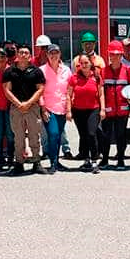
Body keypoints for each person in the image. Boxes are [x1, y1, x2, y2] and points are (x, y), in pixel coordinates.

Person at [3, 43, 47, 175]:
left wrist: (28, 103)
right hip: (16, 108)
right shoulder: (10, 71)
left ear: (30, 56)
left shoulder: (36, 71)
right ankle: (19, 163)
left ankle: (36, 162)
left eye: (26, 53)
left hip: (32, 107)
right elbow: (6, 90)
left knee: (34, 135)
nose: (23, 55)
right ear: (17, 55)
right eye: (21, 52)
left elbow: (40, 89)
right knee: (18, 137)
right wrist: (18, 104)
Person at [100, 40, 130, 170]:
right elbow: (100, 91)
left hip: (122, 110)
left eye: (117, 54)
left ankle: (121, 161)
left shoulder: (127, 71)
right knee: (106, 136)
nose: (115, 57)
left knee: (121, 135)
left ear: (121, 55)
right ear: (109, 55)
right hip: (108, 110)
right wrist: (102, 108)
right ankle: (105, 160)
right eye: (112, 54)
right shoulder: (103, 71)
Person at [67, 54, 105, 174]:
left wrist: (103, 109)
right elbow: (68, 95)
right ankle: (86, 159)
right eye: (81, 63)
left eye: (86, 63)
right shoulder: (74, 78)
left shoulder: (97, 77)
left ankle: (94, 160)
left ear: (91, 64)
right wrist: (68, 111)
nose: (83, 65)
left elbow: (101, 94)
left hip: (93, 109)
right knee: (83, 135)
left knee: (91, 133)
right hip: (78, 111)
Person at [40, 44, 71, 174]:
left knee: (58, 135)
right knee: (53, 134)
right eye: (51, 53)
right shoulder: (42, 70)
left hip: (62, 107)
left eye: (56, 53)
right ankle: (53, 162)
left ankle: (56, 161)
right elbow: (39, 91)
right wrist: (43, 109)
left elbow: (70, 90)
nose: (54, 55)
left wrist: (69, 108)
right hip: (48, 108)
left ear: (60, 54)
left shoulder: (66, 70)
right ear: (47, 55)